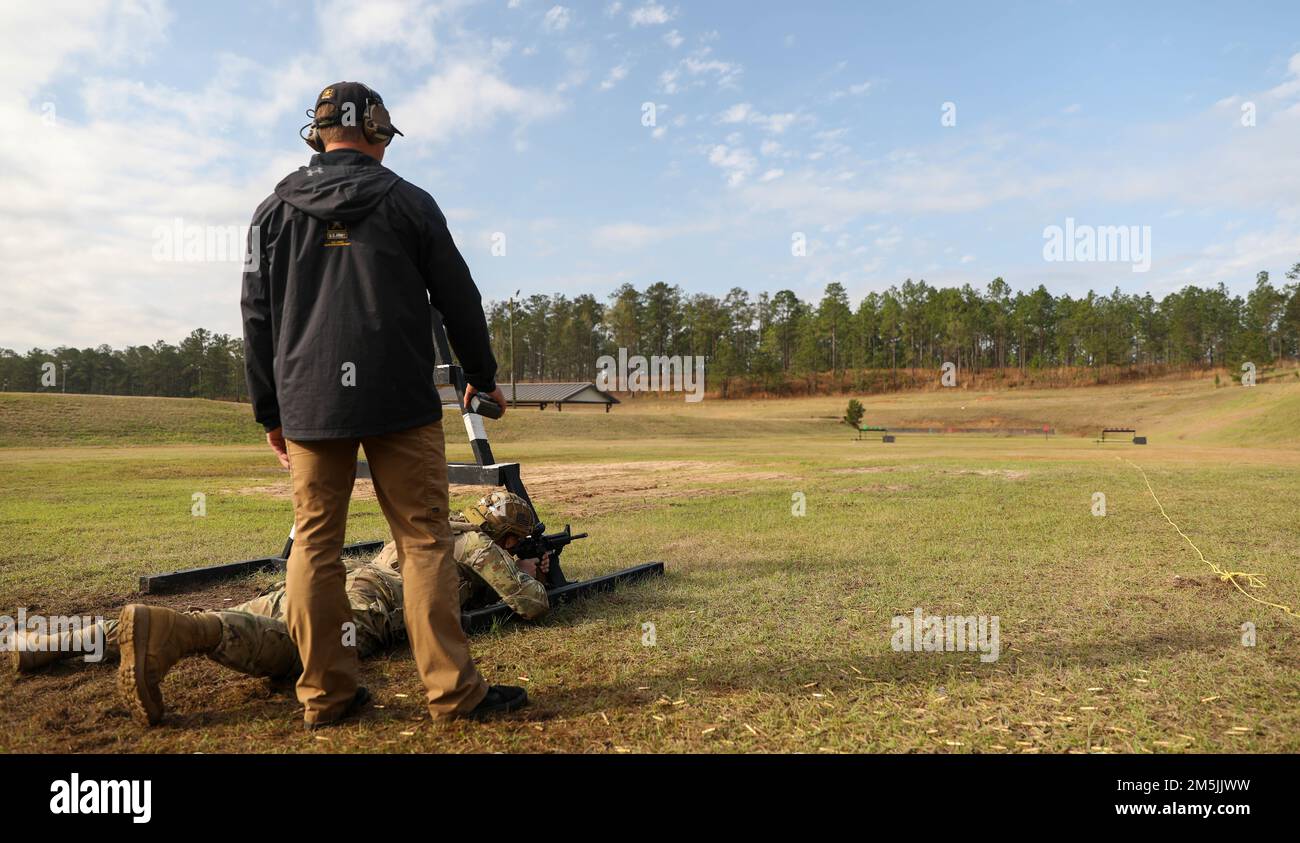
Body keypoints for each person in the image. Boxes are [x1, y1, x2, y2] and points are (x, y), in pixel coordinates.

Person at [237, 81, 518, 730]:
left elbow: (256, 318)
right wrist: (482, 375)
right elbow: (460, 296)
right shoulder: (410, 204)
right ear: (377, 136)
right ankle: (453, 695)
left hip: (309, 402)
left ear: (319, 134)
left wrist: (269, 411)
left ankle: (326, 696)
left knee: (314, 546)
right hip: (400, 397)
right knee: (423, 542)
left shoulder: (273, 211)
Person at [11, 493, 549, 727]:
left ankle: (49, 643)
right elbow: (532, 607)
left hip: (332, 580)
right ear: (507, 535)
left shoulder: (434, 527)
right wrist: (530, 575)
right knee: (297, 651)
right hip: (365, 604)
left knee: (262, 610)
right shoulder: (481, 548)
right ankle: (176, 632)